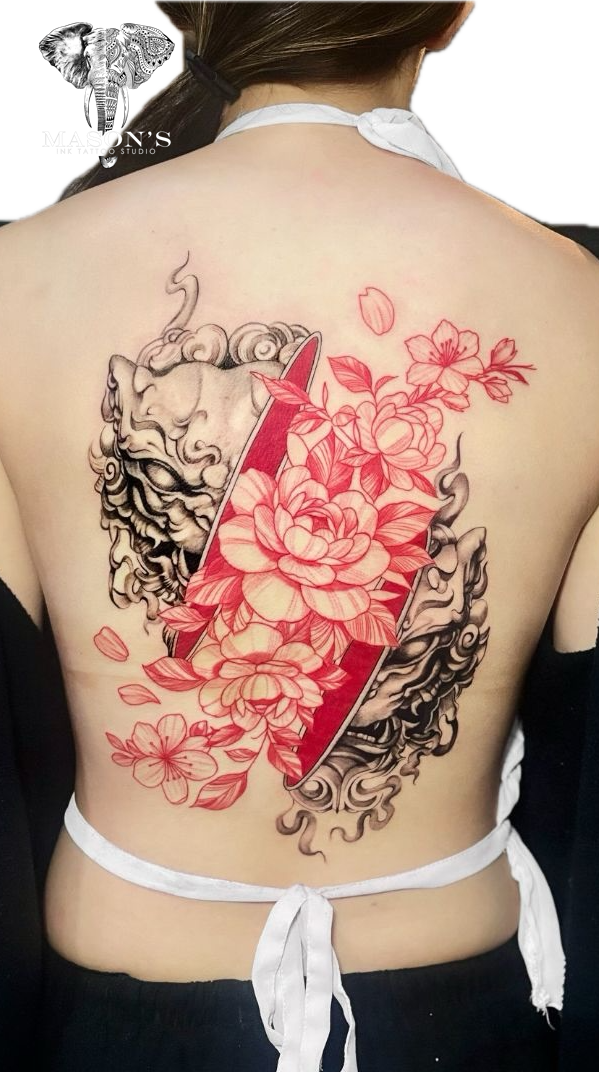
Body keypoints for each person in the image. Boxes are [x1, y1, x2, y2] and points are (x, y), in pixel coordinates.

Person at [1, 1, 599, 1069]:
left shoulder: (19, 278)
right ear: (451, 14)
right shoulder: (578, 300)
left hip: (114, 1016)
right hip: (459, 1017)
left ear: (182, 10)